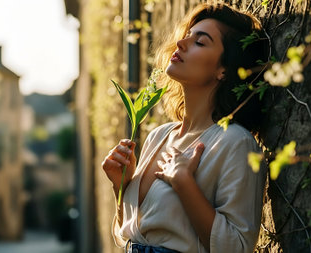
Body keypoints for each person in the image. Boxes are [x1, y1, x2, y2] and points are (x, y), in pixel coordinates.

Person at [102, 2, 268, 253]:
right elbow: (129, 235)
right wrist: (121, 186)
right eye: (187, 36)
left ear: (223, 70)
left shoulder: (235, 143)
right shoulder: (159, 135)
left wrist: (183, 183)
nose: (181, 44)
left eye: (200, 42)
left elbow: (237, 246)